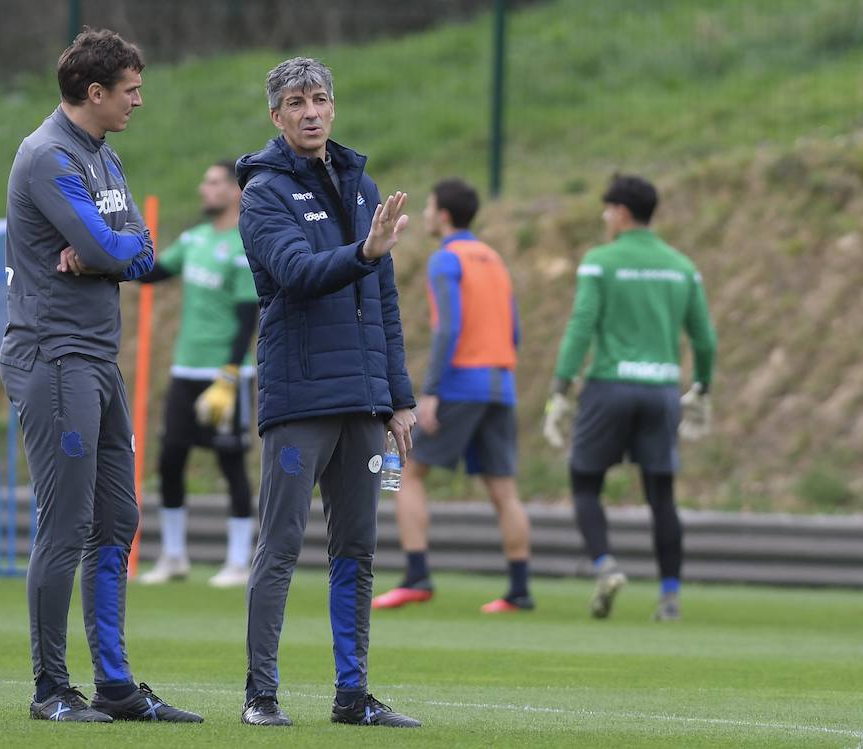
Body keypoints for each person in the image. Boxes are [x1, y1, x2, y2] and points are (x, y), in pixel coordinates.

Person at [0, 28, 202, 724]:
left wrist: (112, 252)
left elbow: (139, 252)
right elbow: (109, 246)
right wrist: (113, 250)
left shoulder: (103, 155)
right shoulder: (48, 156)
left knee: (118, 517)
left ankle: (114, 686)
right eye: (130, 90)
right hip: (54, 360)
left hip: (97, 358)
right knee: (66, 524)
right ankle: (51, 687)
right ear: (94, 92)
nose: (138, 101)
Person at [236, 56, 420, 729]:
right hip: (300, 397)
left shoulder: (361, 183)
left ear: (333, 107)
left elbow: (385, 301)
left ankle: (353, 695)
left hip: (365, 403)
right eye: (295, 102)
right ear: (276, 117)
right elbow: (295, 271)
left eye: (319, 98)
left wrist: (399, 395)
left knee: (359, 551)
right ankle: (261, 693)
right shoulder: (262, 192)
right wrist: (363, 254)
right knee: (280, 547)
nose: (310, 111)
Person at [542, 174, 717, 622]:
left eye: (606, 210)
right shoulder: (681, 266)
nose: (605, 219)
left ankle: (606, 565)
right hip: (661, 392)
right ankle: (671, 597)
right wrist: (701, 387)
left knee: (584, 484)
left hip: (608, 388)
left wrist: (561, 388)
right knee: (662, 495)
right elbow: (705, 340)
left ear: (620, 211)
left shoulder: (600, 261)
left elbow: (581, 325)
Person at [373, 178, 532, 614]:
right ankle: (519, 590)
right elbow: (514, 329)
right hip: (502, 384)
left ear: (442, 215)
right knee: (504, 488)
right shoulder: (494, 258)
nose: (424, 216)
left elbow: (448, 327)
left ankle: (416, 576)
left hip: (462, 384)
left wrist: (431, 391)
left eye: (428, 209)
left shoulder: (446, 260)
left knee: (409, 472)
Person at [137, 159, 258, 588]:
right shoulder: (193, 239)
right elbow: (150, 273)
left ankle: (240, 561)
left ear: (235, 191)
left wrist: (229, 373)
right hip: (185, 369)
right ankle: (174, 557)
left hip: (226, 373)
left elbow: (249, 318)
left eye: (213, 182)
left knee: (231, 463)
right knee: (170, 460)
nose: (204, 189)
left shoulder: (246, 245)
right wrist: (113, 247)